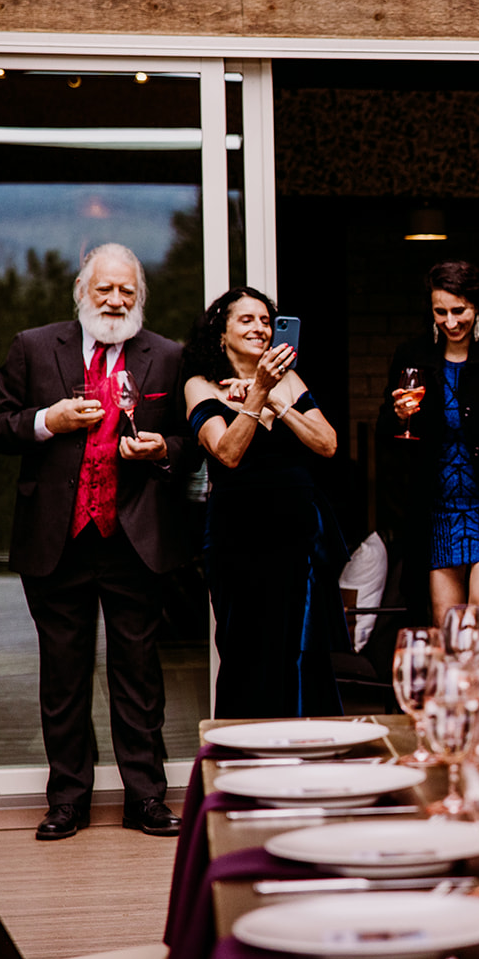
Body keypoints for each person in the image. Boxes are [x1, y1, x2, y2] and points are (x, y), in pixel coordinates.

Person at [0, 243, 193, 841]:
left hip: (135, 539)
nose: (116, 300)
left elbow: (188, 438)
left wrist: (163, 450)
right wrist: (49, 420)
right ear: (82, 290)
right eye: (106, 290)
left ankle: (145, 798)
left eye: (128, 291)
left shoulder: (169, 356)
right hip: (58, 539)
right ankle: (67, 800)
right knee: (63, 677)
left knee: (140, 677)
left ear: (140, 296)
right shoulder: (33, 346)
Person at [181, 286, 345, 718]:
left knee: (300, 650)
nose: (260, 328)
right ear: (222, 332)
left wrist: (278, 401)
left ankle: (307, 758)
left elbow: (327, 443)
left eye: (266, 321)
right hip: (238, 538)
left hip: (297, 536)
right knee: (245, 649)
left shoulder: (288, 380)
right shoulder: (201, 386)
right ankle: (243, 763)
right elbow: (228, 453)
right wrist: (258, 394)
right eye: (247, 320)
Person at [384, 260, 479, 628]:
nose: (450, 320)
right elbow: (387, 433)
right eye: (440, 311)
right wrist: (398, 414)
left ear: (476, 307)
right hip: (438, 504)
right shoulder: (413, 355)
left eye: (459, 310)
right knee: (447, 620)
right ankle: (456, 687)